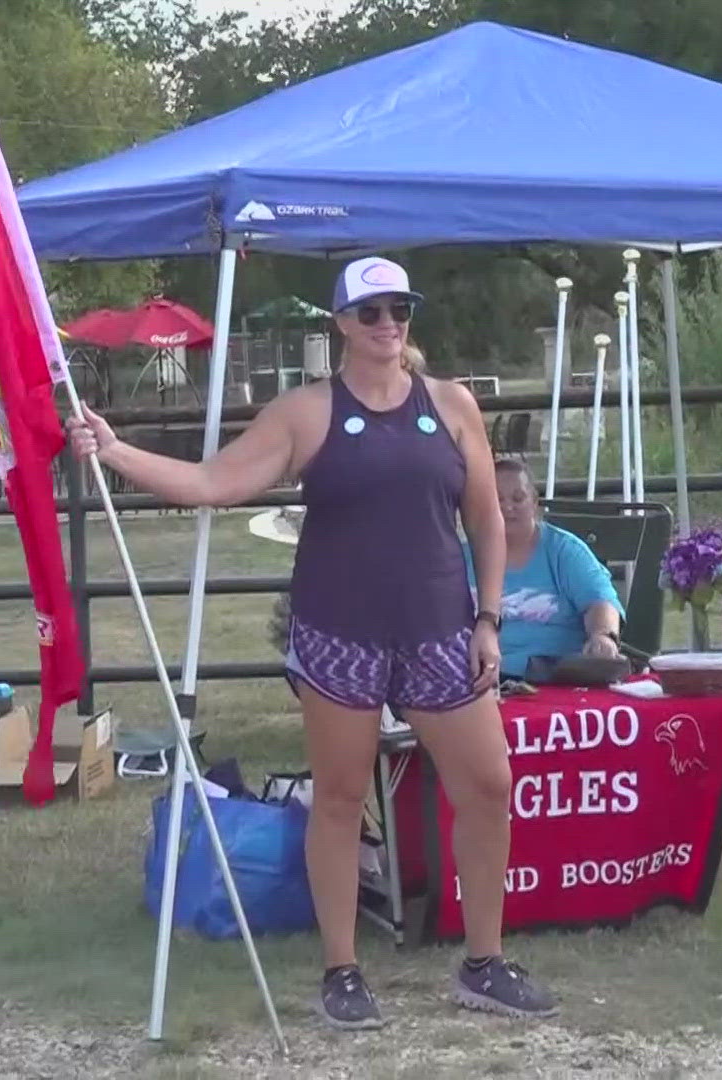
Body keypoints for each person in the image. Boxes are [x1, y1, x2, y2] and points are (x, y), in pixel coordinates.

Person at [65, 256, 558, 1029]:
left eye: (398, 309)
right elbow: (211, 483)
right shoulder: (306, 412)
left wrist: (489, 619)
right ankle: (342, 970)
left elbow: (487, 519)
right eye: (370, 312)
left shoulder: (453, 404)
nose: (387, 324)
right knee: (339, 797)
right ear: (341, 324)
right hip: (340, 633)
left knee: (489, 785)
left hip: (440, 631)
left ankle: (485, 962)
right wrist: (114, 450)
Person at [469, 457, 624, 680]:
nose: (507, 507)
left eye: (518, 498)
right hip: (481, 681)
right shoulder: (463, 557)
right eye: (497, 499)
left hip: (557, 679)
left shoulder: (564, 551)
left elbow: (600, 602)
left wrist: (603, 636)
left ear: (534, 502)